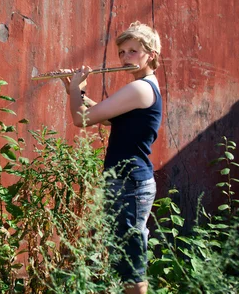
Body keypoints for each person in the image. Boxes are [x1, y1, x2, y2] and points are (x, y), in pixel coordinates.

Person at [57, 21, 162, 294]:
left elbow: (82, 120)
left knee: (131, 268)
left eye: (133, 51)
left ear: (150, 54)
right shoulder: (142, 87)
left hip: (131, 184)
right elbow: (105, 116)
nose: (126, 58)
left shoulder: (140, 89)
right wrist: (75, 90)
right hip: (126, 183)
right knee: (124, 261)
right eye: (122, 52)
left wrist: (74, 93)